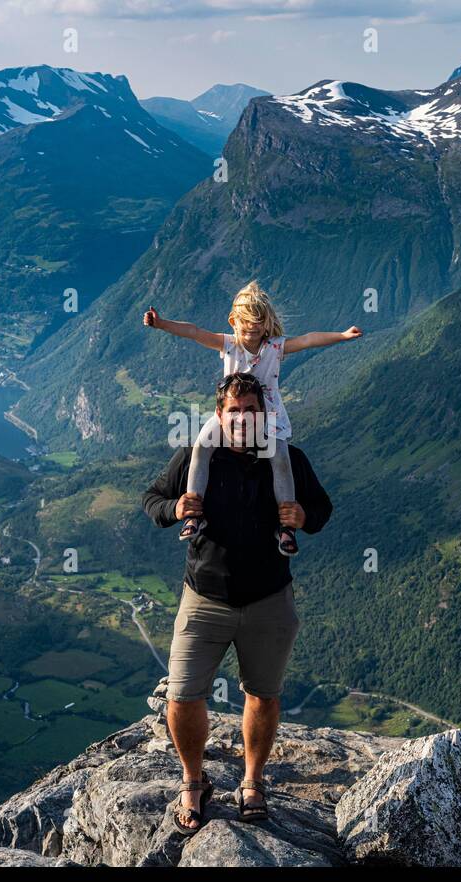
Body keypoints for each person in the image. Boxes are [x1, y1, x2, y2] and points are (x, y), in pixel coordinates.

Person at [141, 372, 333, 835]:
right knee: (183, 696)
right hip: (204, 598)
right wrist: (174, 510)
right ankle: (193, 781)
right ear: (220, 416)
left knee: (262, 695)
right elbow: (152, 499)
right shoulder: (194, 457)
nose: (244, 419)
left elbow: (322, 510)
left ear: (264, 414)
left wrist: (303, 516)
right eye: (235, 412)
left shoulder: (289, 460)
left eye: (252, 411)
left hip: (269, 599)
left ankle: (252, 781)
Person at [143, 280, 358, 556]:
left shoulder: (275, 347)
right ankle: (193, 514)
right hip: (231, 415)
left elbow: (308, 340)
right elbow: (194, 332)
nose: (253, 329)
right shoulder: (229, 344)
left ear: (266, 323)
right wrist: (162, 324)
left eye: (258, 323)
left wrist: (342, 336)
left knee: (281, 457)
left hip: (265, 413)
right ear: (235, 320)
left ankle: (286, 527)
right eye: (248, 323)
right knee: (201, 447)